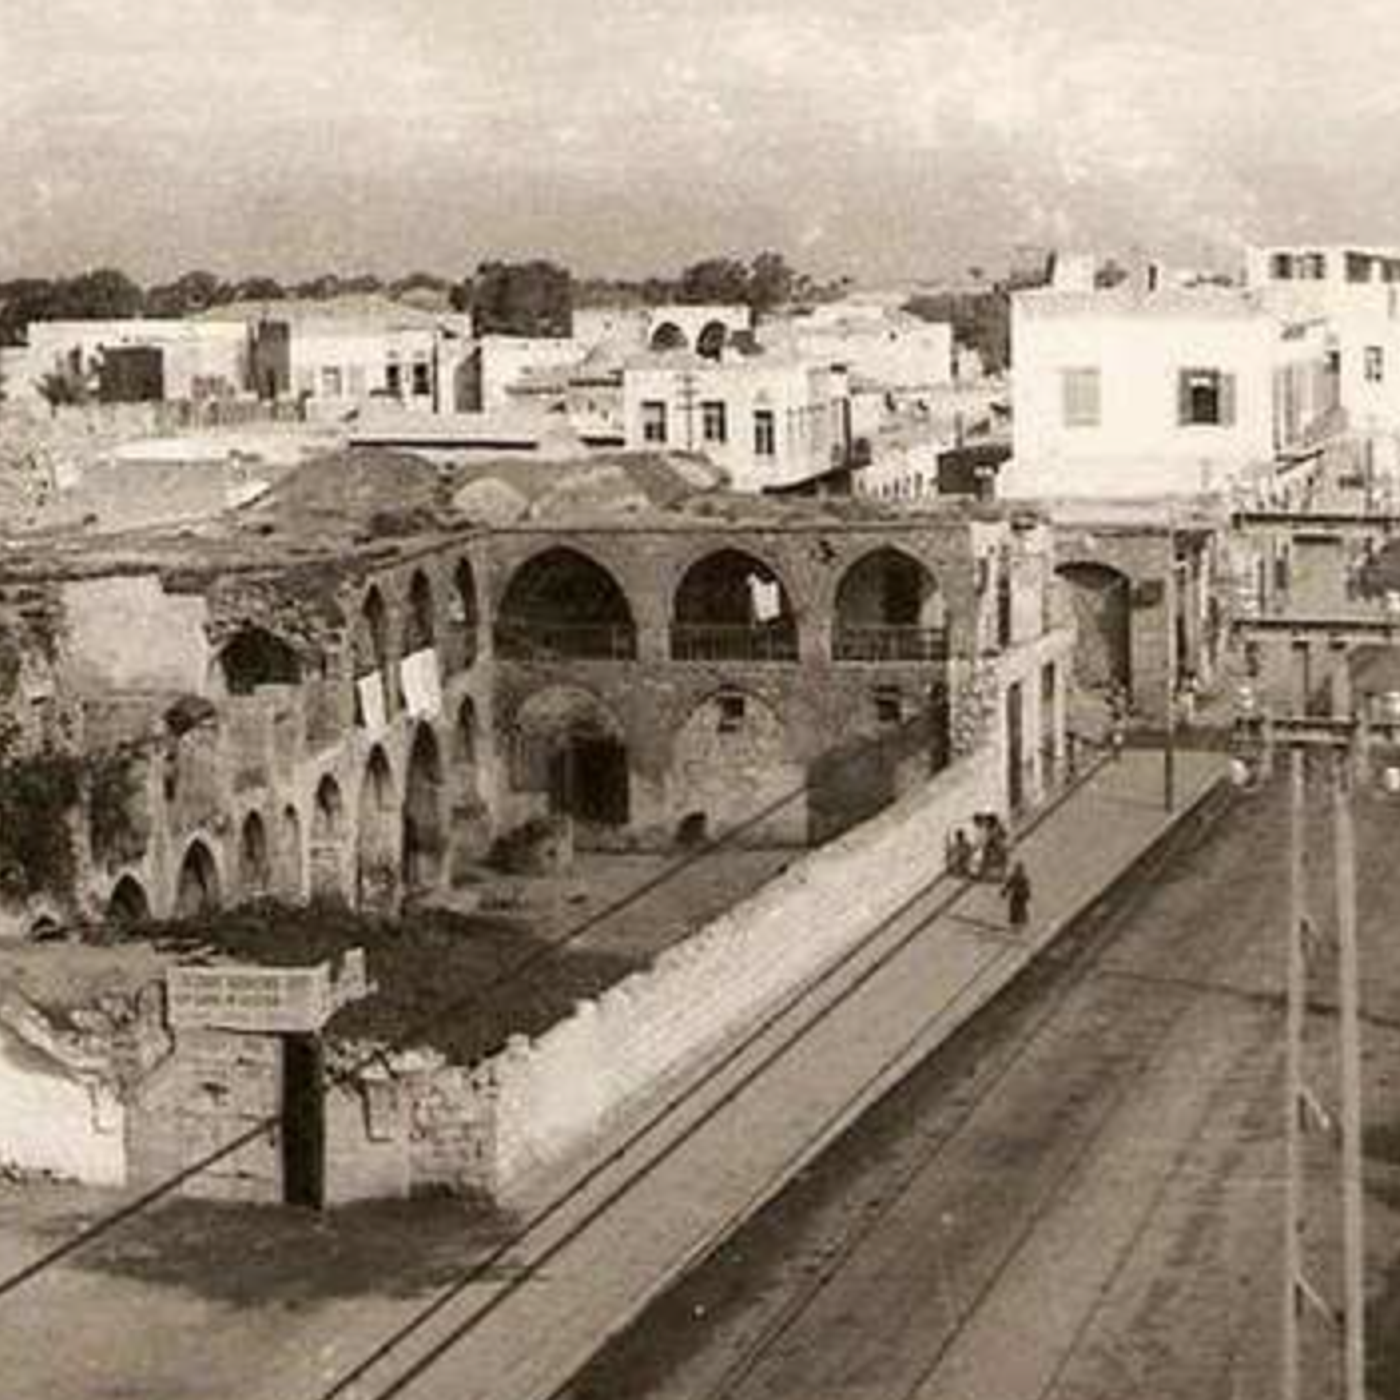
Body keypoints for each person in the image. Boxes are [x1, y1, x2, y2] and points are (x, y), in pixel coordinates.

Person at [1002, 861, 1032, 930]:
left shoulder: (1024, 878)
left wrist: (1027, 894)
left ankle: (1021, 923)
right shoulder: (1013, 877)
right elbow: (1008, 885)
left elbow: (1027, 887)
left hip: (1021, 896)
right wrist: (1004, 892)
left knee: (1021, 909)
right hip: (1016, 895)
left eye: (1019, 869)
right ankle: (1014, 923)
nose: (1018, 870)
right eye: (1017, 869)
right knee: (1013, 908)